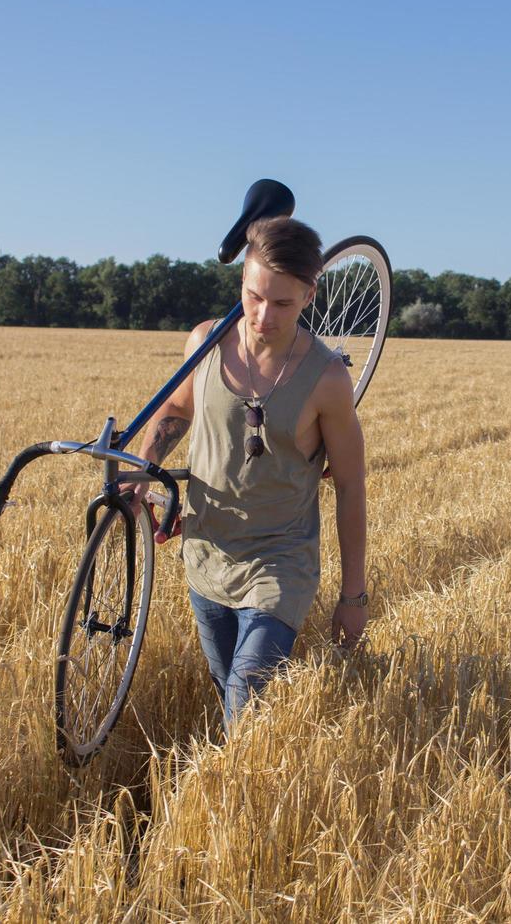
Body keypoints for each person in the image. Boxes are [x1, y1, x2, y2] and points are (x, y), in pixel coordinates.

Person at [133, 216, 368, 732]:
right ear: (242, 279)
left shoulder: (326, 378)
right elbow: (174, 408)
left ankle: (235, 799)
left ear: (309, 294)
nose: (263, 315)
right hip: (206, 553)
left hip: (280, 562)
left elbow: (350, 487)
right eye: (254, 296)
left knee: (246, 699)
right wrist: (143, 471)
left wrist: (353, 598)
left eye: (283, 303)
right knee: (227, 688)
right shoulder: (205, 342)